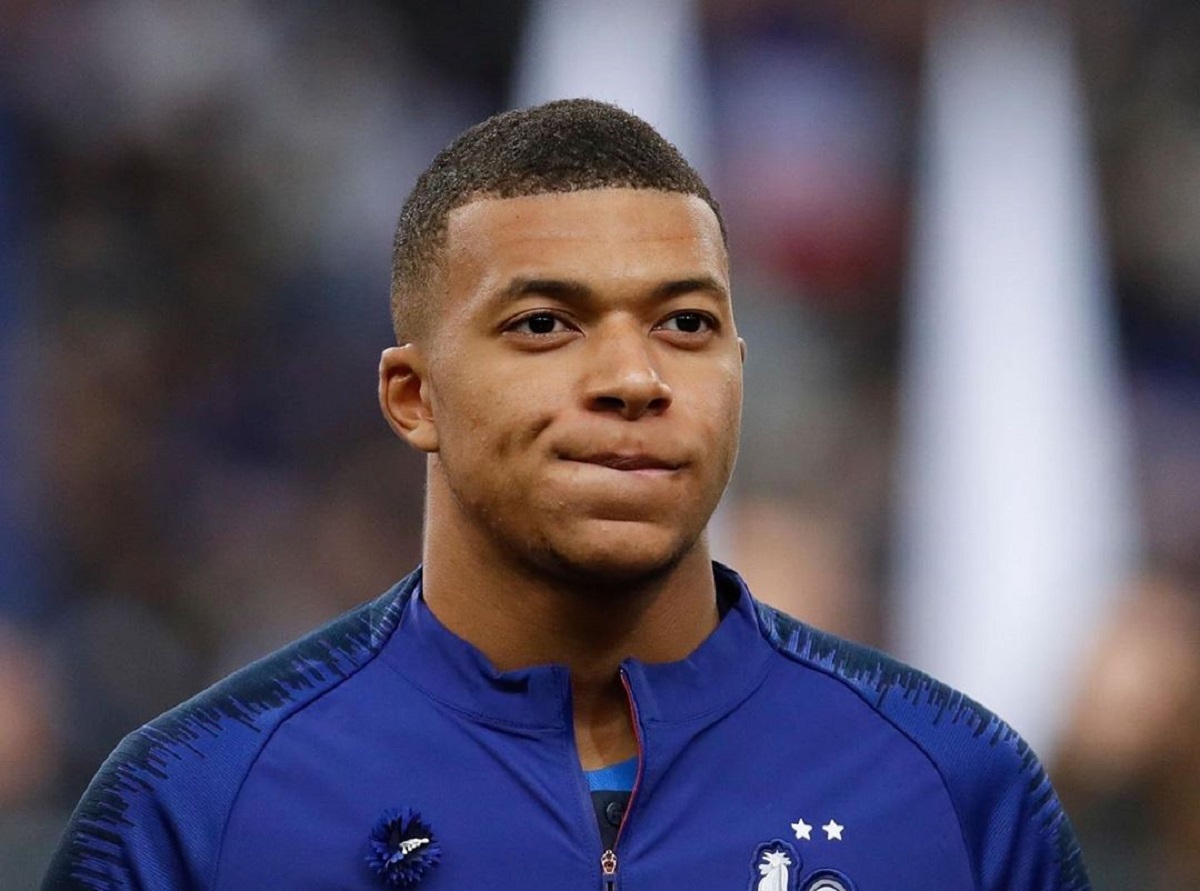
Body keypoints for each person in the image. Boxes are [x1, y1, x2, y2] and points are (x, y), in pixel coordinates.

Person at [44, 99, 1089, 890]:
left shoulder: (956, 789)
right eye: (544, 324)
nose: (635, 378)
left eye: (685, 324)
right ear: (413, 396)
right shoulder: (198, 806)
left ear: (739, 371)